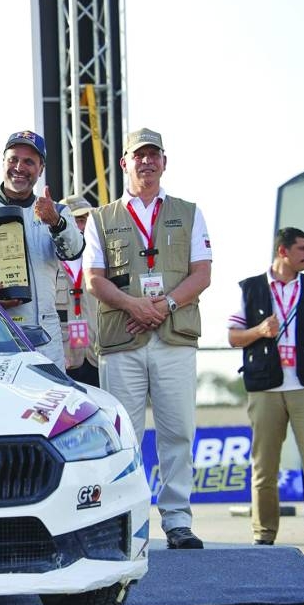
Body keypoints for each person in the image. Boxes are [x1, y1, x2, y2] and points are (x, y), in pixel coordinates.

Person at [83, 127, 212, 550]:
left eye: (153, 155)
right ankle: (128, 519)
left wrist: (164, 307)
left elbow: (202, 273)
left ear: (164, 161)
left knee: (178, 431)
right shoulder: (102, 218)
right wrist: (135, 306)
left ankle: (177, 521)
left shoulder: (189, 212)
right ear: (124, 163)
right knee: (124, 435)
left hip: (173, 336)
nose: (146, 162)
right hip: (124, 338)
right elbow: (93, 280)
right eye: (138, 155)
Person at [0, 130, 84, 369]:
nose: (19, 167)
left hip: (46, 336)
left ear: (40, 169)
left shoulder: (56, 212)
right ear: (3, 162)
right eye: (13, 159)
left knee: (48, 405)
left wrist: (55, 223)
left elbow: (73, 252)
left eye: (29, 161)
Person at [227, 226, 304, 546]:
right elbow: (234, 337)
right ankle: (264, 535)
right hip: (265, 387)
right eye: (301, 248)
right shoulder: (250, 289)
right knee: (264, 468)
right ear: (283, 252)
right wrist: (260, 330)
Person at [55, 195, 99, 386]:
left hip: (96, 356)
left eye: (86, 220)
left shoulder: (100, 259)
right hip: (63, 359)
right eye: (77, 220)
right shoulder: (47, 260)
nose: (82, 226)